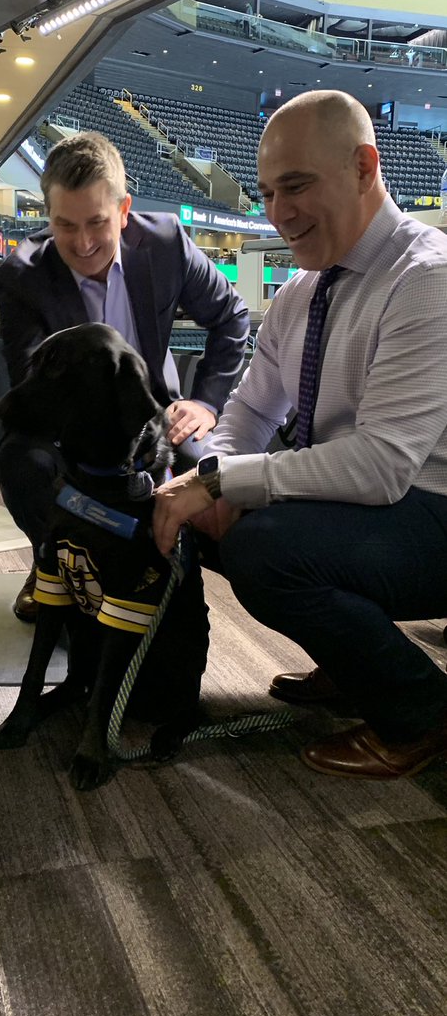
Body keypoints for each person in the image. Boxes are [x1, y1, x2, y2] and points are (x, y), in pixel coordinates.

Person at [153, 89, 447, 781]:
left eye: (296, 186)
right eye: (265, 193)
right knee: (208, 515)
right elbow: (249, 413)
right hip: (383, 510)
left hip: (433, 506)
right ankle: (357, 668)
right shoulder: (298, 294)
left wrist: (224, 482)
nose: (278, 213)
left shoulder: (426, 280)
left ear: (363, 166)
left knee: (268, 548)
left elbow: (380, 468)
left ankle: (421, 711)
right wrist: (215, 474)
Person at [0, 130, 250, 621]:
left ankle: (172, 577)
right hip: (69, 428)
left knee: (217, 488)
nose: (83, 243)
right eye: (65, 225)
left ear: (125, 209)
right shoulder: (20, 277)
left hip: (156, 414)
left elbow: (232, 317)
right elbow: (31, 385)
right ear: (47, 216)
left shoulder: (168, 243)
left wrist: (206, 404)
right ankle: (57, 562)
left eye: (97, 222)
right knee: (22, 461)